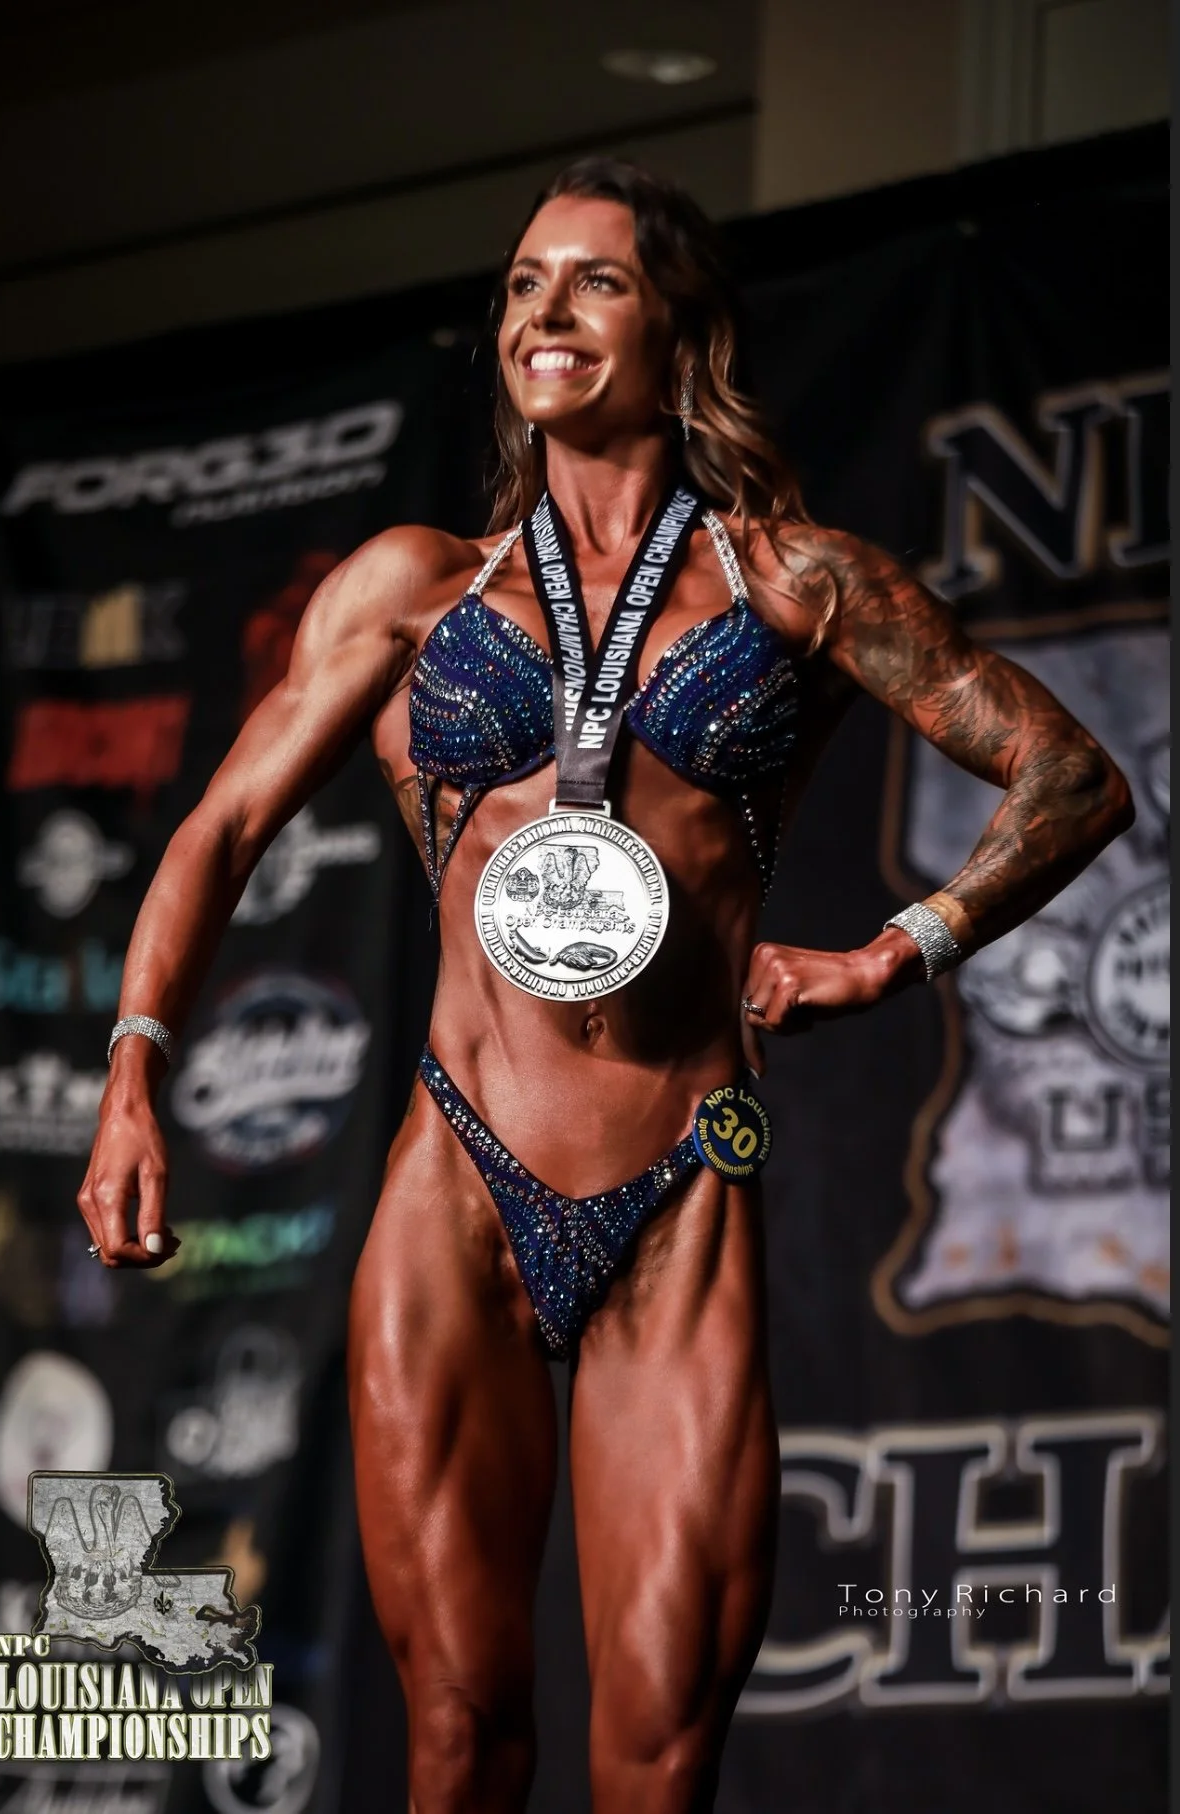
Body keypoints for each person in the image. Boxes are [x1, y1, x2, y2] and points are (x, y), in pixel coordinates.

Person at [77, 160, 1134, 1813]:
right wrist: (136, 1065)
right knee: (456, 1737)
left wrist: (893, 947)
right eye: (518, 284)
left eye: (590, 283)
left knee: (657, 1758)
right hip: (458, 1181)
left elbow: (1070, 778)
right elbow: (216, 827)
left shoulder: (798, 587)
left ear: (680, 329)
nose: (541, 313)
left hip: (678, 1185)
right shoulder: (413, 590)